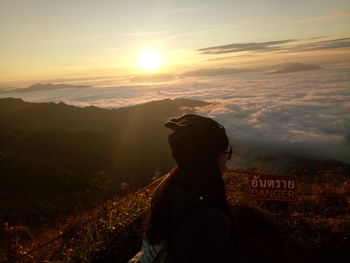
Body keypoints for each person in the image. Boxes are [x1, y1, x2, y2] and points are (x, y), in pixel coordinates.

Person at [132, 113, 235, 263]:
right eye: (225, 151)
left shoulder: (166, 188)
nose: (227, 157)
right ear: (208, 158)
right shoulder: (211, 221)